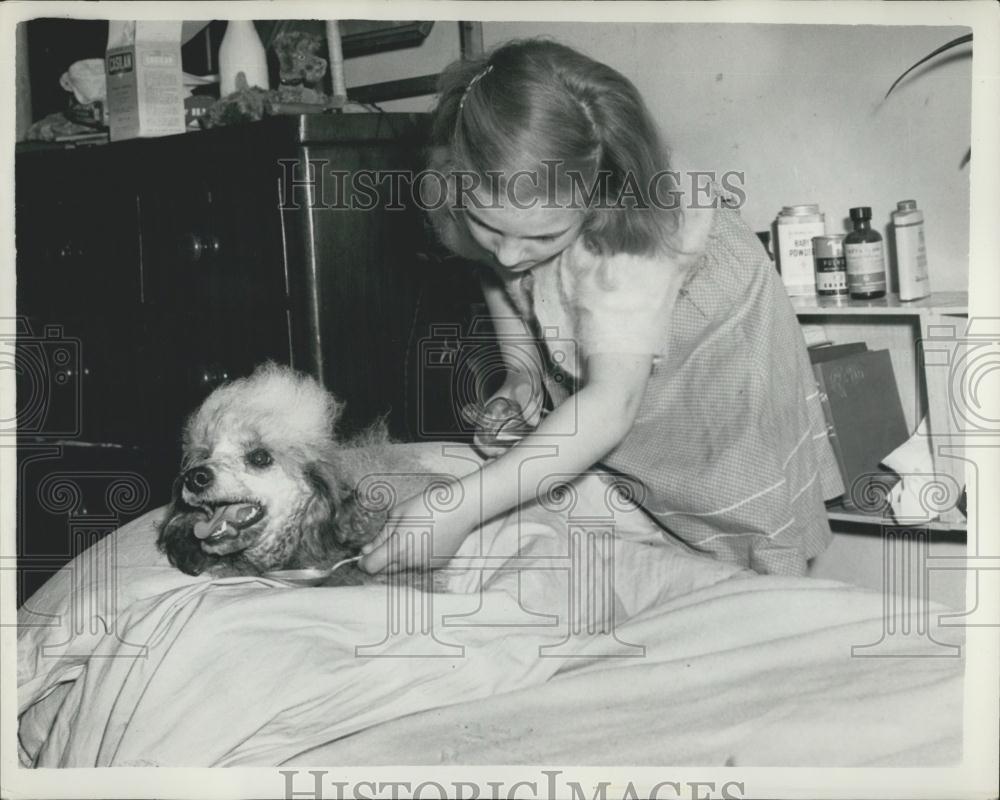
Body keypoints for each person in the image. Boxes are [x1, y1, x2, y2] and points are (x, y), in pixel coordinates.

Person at [360, 38, 842, 577]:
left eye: (542, 237)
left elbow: (610, 405)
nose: (511, 253)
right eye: (489, 226)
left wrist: (455, 509)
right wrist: (520, 372)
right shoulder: (470, 185)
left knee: (731, 499)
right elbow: (495, 270)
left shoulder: (625, 239)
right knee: (613, 493)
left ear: (594, 198)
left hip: (712, 335)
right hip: (606, 330)